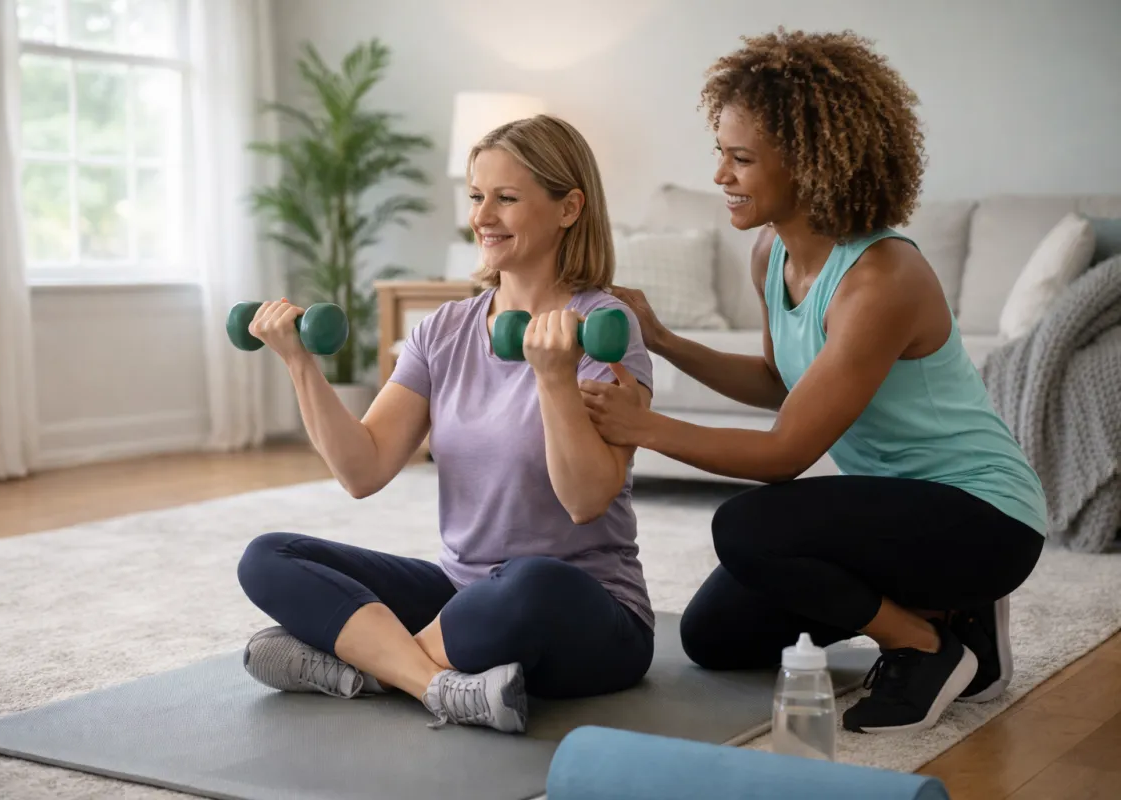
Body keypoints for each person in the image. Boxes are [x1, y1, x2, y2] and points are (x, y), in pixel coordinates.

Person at [580, 29, 1047, 735]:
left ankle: (924, 642)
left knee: (746, 526)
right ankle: (943, 606)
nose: (720, 177)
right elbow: (779, 380)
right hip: (896, 510)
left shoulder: (882, 278)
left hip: (982, 518)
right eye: (721, 154)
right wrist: (666, 341)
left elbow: (782, 457)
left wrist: (643, 427)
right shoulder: (772, 253)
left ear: (810, 163)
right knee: (715, 638)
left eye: (741, 159)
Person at [236, 114, 656, 735]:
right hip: (460, 596)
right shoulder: (444, 329)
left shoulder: (606, 332)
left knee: (530, 582)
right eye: (477, 197)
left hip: (582, 610)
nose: (483, 216)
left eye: (507, 198)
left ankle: (360, 660)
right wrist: (300, 363)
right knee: (269, 557)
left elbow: (587, 500)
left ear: (569, 208)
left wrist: (554, 379)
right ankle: (436, 685)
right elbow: (364, 469)